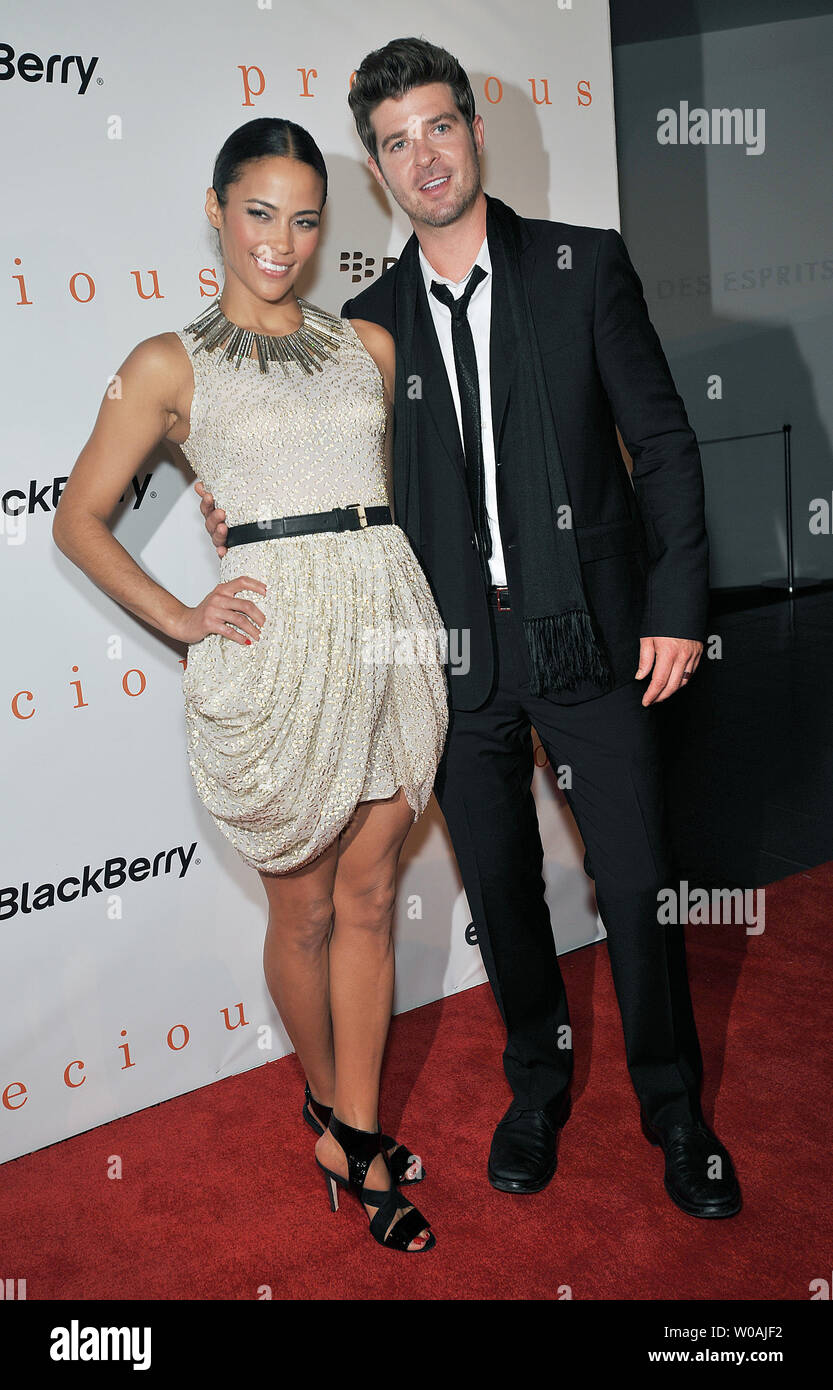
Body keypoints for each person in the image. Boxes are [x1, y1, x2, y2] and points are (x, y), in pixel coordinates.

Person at [199, 37, 742, 1220]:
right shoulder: (362, 326)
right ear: (377, 165)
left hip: (594, 637)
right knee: (499, 890)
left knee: (640, 880)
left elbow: (660, 447)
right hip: (446, 665)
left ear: (474, 131)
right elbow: (334, 484)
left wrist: (676, 610)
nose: (422, 156)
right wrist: (233, 505)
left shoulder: (579, 268)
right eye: (394, 142)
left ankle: (673, 1109)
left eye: (438, 127)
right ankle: (535, 1085)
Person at [52, 116, 450, 1253]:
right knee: (308, 906)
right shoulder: (168, 362)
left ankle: (358, 1134)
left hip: (386, 631)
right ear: (218, 211)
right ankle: (329, 1113)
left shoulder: (362, 347)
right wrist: (183, 616)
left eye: (306, 217)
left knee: (371, 899)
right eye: (259, 212)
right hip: (277, 654)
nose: (282, 239)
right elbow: (78, 519)